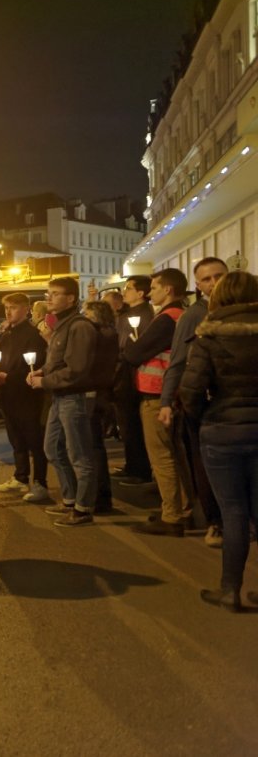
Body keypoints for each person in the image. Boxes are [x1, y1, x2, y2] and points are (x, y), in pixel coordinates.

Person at [180, 270, 258, 611]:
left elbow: (190, 391)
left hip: (222, 431)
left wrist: (205, 416)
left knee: (233, 512)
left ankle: (230, 591)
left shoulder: (208, 337)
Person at [163, 257, 228, 548]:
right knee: (205, 465)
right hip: (203, 403)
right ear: (198, 285)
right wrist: (168, 401)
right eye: (207, 279)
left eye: (219, 276)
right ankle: (215, 521)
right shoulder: (193, 316)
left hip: (237, 405)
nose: (214, 283)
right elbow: (177, 362)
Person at [26, 277, 99, 526]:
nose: (49, 297)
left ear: (70, 298)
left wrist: (44, 382)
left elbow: (76, 369)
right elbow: (57, 361)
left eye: (55, 293)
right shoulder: (62, 324)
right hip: (59, 397)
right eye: (48, 293)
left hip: (74, 397)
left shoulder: (79, 326)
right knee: (53, 450)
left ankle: (83, 508)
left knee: (79, 454)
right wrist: (42, 372)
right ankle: (69, 499)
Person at [124, 268, 190, 536]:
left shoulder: (166, 319)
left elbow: (133, 353)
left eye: (154, 287)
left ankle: (172, 517)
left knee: (161, 457)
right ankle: (180, 509)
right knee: (174, 455)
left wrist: (132, 345)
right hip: (168, 393)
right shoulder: (180, 315)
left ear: (168, 289)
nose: (151, 292)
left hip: (156, 395)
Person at [0, 292, 49, 503]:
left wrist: (11, 376)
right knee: (16, 439)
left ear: (26, 310)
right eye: (6, 307)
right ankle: (20, 476)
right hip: (8, 394)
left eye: (14, 307)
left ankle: (40, 482)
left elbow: (33, 364)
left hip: (27, 395)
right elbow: (2, 360)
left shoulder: (32, 335)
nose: (8, 311)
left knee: (35, 440)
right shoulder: (8, 334)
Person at [113, 275, 156, 484]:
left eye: (128, 288)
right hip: (123, 371)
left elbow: (135, 345)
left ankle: (140, 469)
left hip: (132, 373)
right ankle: (132, 465)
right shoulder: (128, 314)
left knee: (133, 423)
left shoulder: (145, 315)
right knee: (126, 423)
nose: (124, 292)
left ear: (140, 293)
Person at [83, 300, 121, 514]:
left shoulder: (100, 335)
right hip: (101, 392)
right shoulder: (110, 333)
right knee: (94, 445)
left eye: (87, 313)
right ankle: (100, 496)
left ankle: (99, 497)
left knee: (92, 446)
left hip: (94, 393)